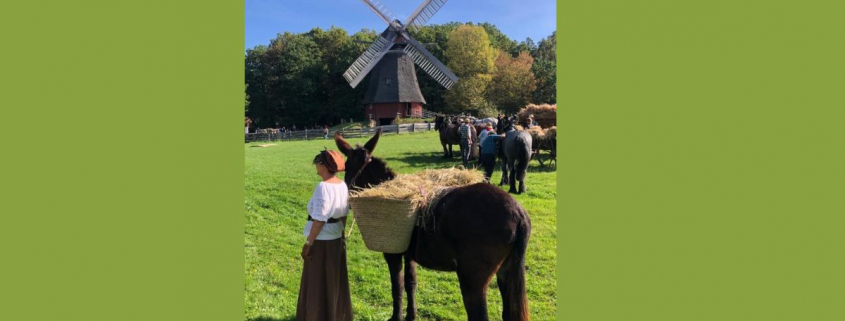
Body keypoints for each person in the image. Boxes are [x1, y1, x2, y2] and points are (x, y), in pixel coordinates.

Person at [296, 149, 353, 321]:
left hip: (321, 241)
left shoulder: (323, 187)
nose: (316, 166)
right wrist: (341, 233)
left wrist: (308, 243)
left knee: (317, 280)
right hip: (335, 239)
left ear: (323, 166)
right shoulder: (342, 185)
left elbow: (319, 219)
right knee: (333, 279)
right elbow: (343, 214)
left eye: (317, 163)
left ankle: (316, 316)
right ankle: (334, 315)